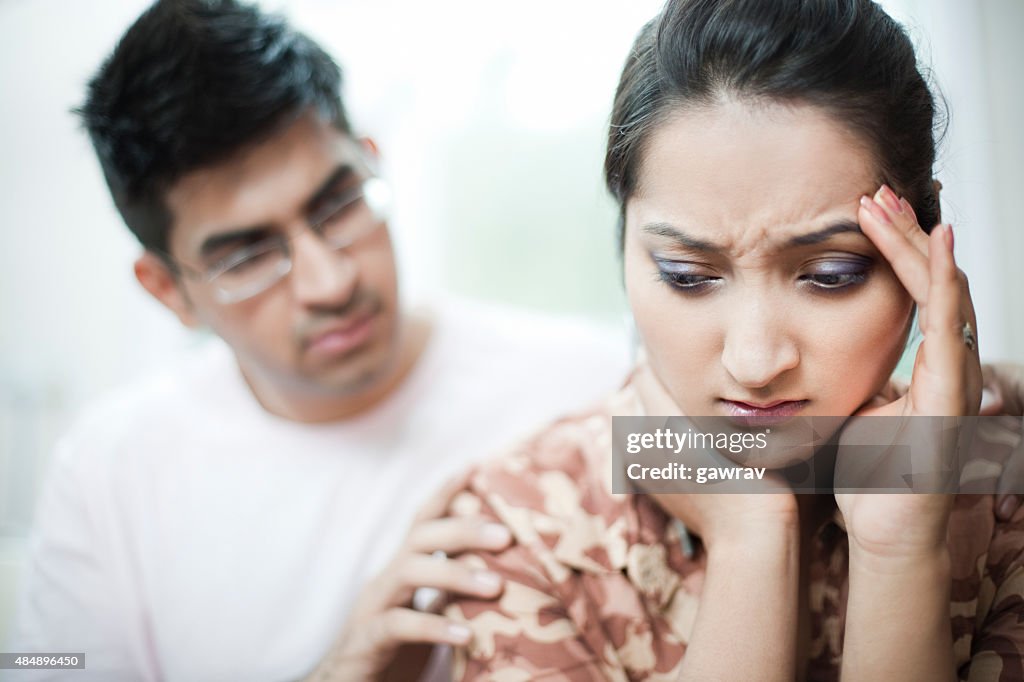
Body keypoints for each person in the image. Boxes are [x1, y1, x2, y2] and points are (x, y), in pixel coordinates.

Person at [5, 1, 631, 680]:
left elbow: (760, 472)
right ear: (168, 290)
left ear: (371, 161)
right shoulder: (106, 475)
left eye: (339, 205)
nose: (328, 281)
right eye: (247, 257)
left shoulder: (595, 381)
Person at [443, 0, 1024, 679]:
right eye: (688, 276)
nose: (754, 362)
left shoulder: (1004, 498)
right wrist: (751, 539)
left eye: (831, 276)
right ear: (626, 247)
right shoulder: (522, 523)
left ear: (920, 258)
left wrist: (900, 551)